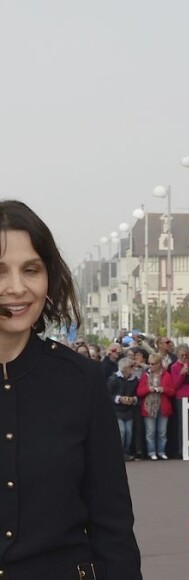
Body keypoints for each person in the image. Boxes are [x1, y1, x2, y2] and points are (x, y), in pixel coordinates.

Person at [0, 200, 141, 578]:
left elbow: (112, 526)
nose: (16, 288)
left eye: (31, 270)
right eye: (0, 271)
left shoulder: (81, 379)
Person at [137, 352, 175, 460]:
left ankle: (161, 451)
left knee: (162, 432)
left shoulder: (167, 375)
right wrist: (147, 389)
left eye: (153, 364)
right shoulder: (145, 376)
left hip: (163, 406)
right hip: (149, 407)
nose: (151, 366)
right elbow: (139, 392)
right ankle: (151, 452)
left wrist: (164, 389)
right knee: (150, 432)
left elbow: (172, 392)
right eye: (149, 363)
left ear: (159, 364)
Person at [108, 357, 139, 461]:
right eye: (131, 367)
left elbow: (137, 393)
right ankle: (119, 453)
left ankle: (126, 451)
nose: (133, 369)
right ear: (125, 368)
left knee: (129, 432)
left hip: (129, 410)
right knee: (121, 431)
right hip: (116, 410)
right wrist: (119, 398)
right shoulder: (114, 378)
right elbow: (108, 394)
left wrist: (133, 399)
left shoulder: (134, 379)